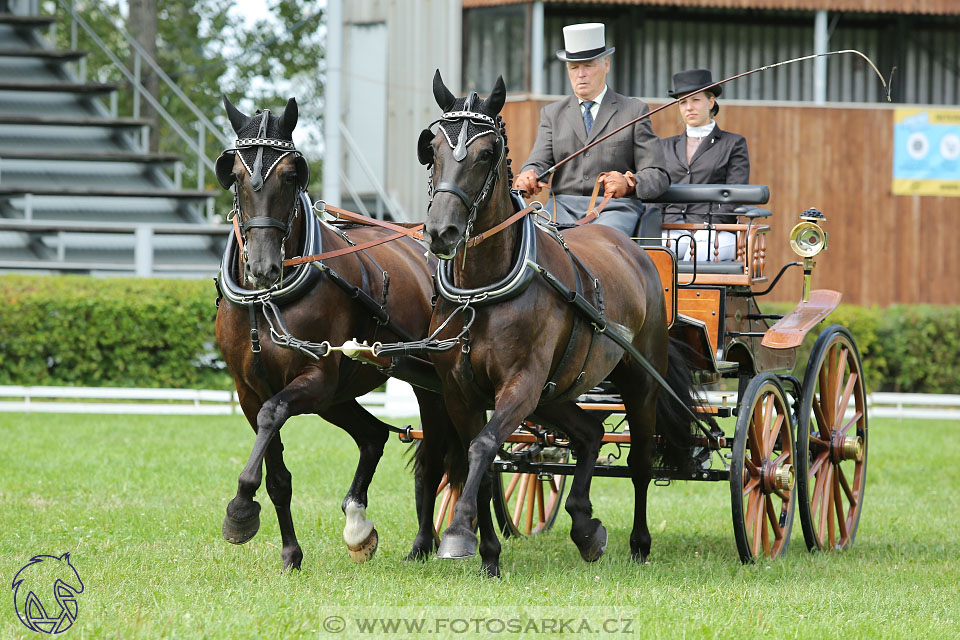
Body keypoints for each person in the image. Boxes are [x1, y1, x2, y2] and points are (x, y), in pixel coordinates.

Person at [513, 23, 668, 237]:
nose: (581, 74)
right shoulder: (552, 114)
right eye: (574, 68)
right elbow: (537, 163)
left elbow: (658, 174)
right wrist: (528, 174)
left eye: (588, 66)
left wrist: (630, 183)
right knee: (532, 244)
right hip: (561, 209)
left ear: (606, 64)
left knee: (601, 248)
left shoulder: (634, 111)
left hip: (615, 209)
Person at [660, 68, 750, 261]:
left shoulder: (733, 144)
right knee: (650, 255)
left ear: (711, 102)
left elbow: (734, 194)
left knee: (696, 255)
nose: (689, 107)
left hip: (714, 231)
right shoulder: (664, 146)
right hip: (670, 228)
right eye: (682, 102)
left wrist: (708, 226)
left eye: (695, 100)